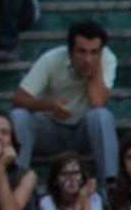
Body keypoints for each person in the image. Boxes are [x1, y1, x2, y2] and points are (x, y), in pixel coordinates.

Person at [9, 19, 118, 184]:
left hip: (84, 132)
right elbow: (18, 99)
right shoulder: (51, 59)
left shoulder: (107, 59)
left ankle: (111, 185)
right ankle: (15, 182)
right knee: (19, 116)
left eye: (94, 52)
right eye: (81, 51)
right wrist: (50, 106)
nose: (87, 58)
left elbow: (97, 102)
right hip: (49, 129)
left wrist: (95, 67)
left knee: (102, 116)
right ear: (70, 51)